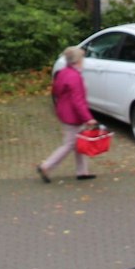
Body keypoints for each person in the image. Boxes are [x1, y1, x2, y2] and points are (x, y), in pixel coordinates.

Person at [37, 46, 96, 182]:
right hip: (72, 115)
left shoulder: (63, 72)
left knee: (78, 142)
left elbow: (57, 91)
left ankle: (82, 171)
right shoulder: (75, 77)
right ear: (77, 61)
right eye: (82, 59)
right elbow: (78, 101)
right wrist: (88, 119)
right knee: (69, 144)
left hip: (64, 111)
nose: (83, 62)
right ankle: (46, 166)